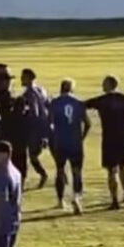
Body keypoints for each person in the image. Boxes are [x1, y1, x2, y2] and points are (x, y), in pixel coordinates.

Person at [84, 76, 124, 210]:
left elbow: (82, 105)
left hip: (109, 137)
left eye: (104, 83)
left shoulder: (102, 100)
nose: (102, 86)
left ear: (109, 85)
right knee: (123, 167)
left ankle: (114, 200)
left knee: (111, 170)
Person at [49, 79, 91, 214]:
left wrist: (53, 137)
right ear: (72, 89)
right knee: (76, 171)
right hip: (75, 142)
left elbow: (50, 124)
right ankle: (76, 197)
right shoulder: (78, 103)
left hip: (60, 142)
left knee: (60, 170)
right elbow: (88, 123)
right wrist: (82, 137)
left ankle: (60, 200)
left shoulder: (54, 103)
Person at [20, 69, 49, 188]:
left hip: (34, 129)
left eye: (23, 77)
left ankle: (43, 174)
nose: (21, 79)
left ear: (28, 78)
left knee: (32, 156)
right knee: (33, 155)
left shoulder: (30, 94)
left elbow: (34, 113)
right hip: (42, 126)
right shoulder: (40, 90)